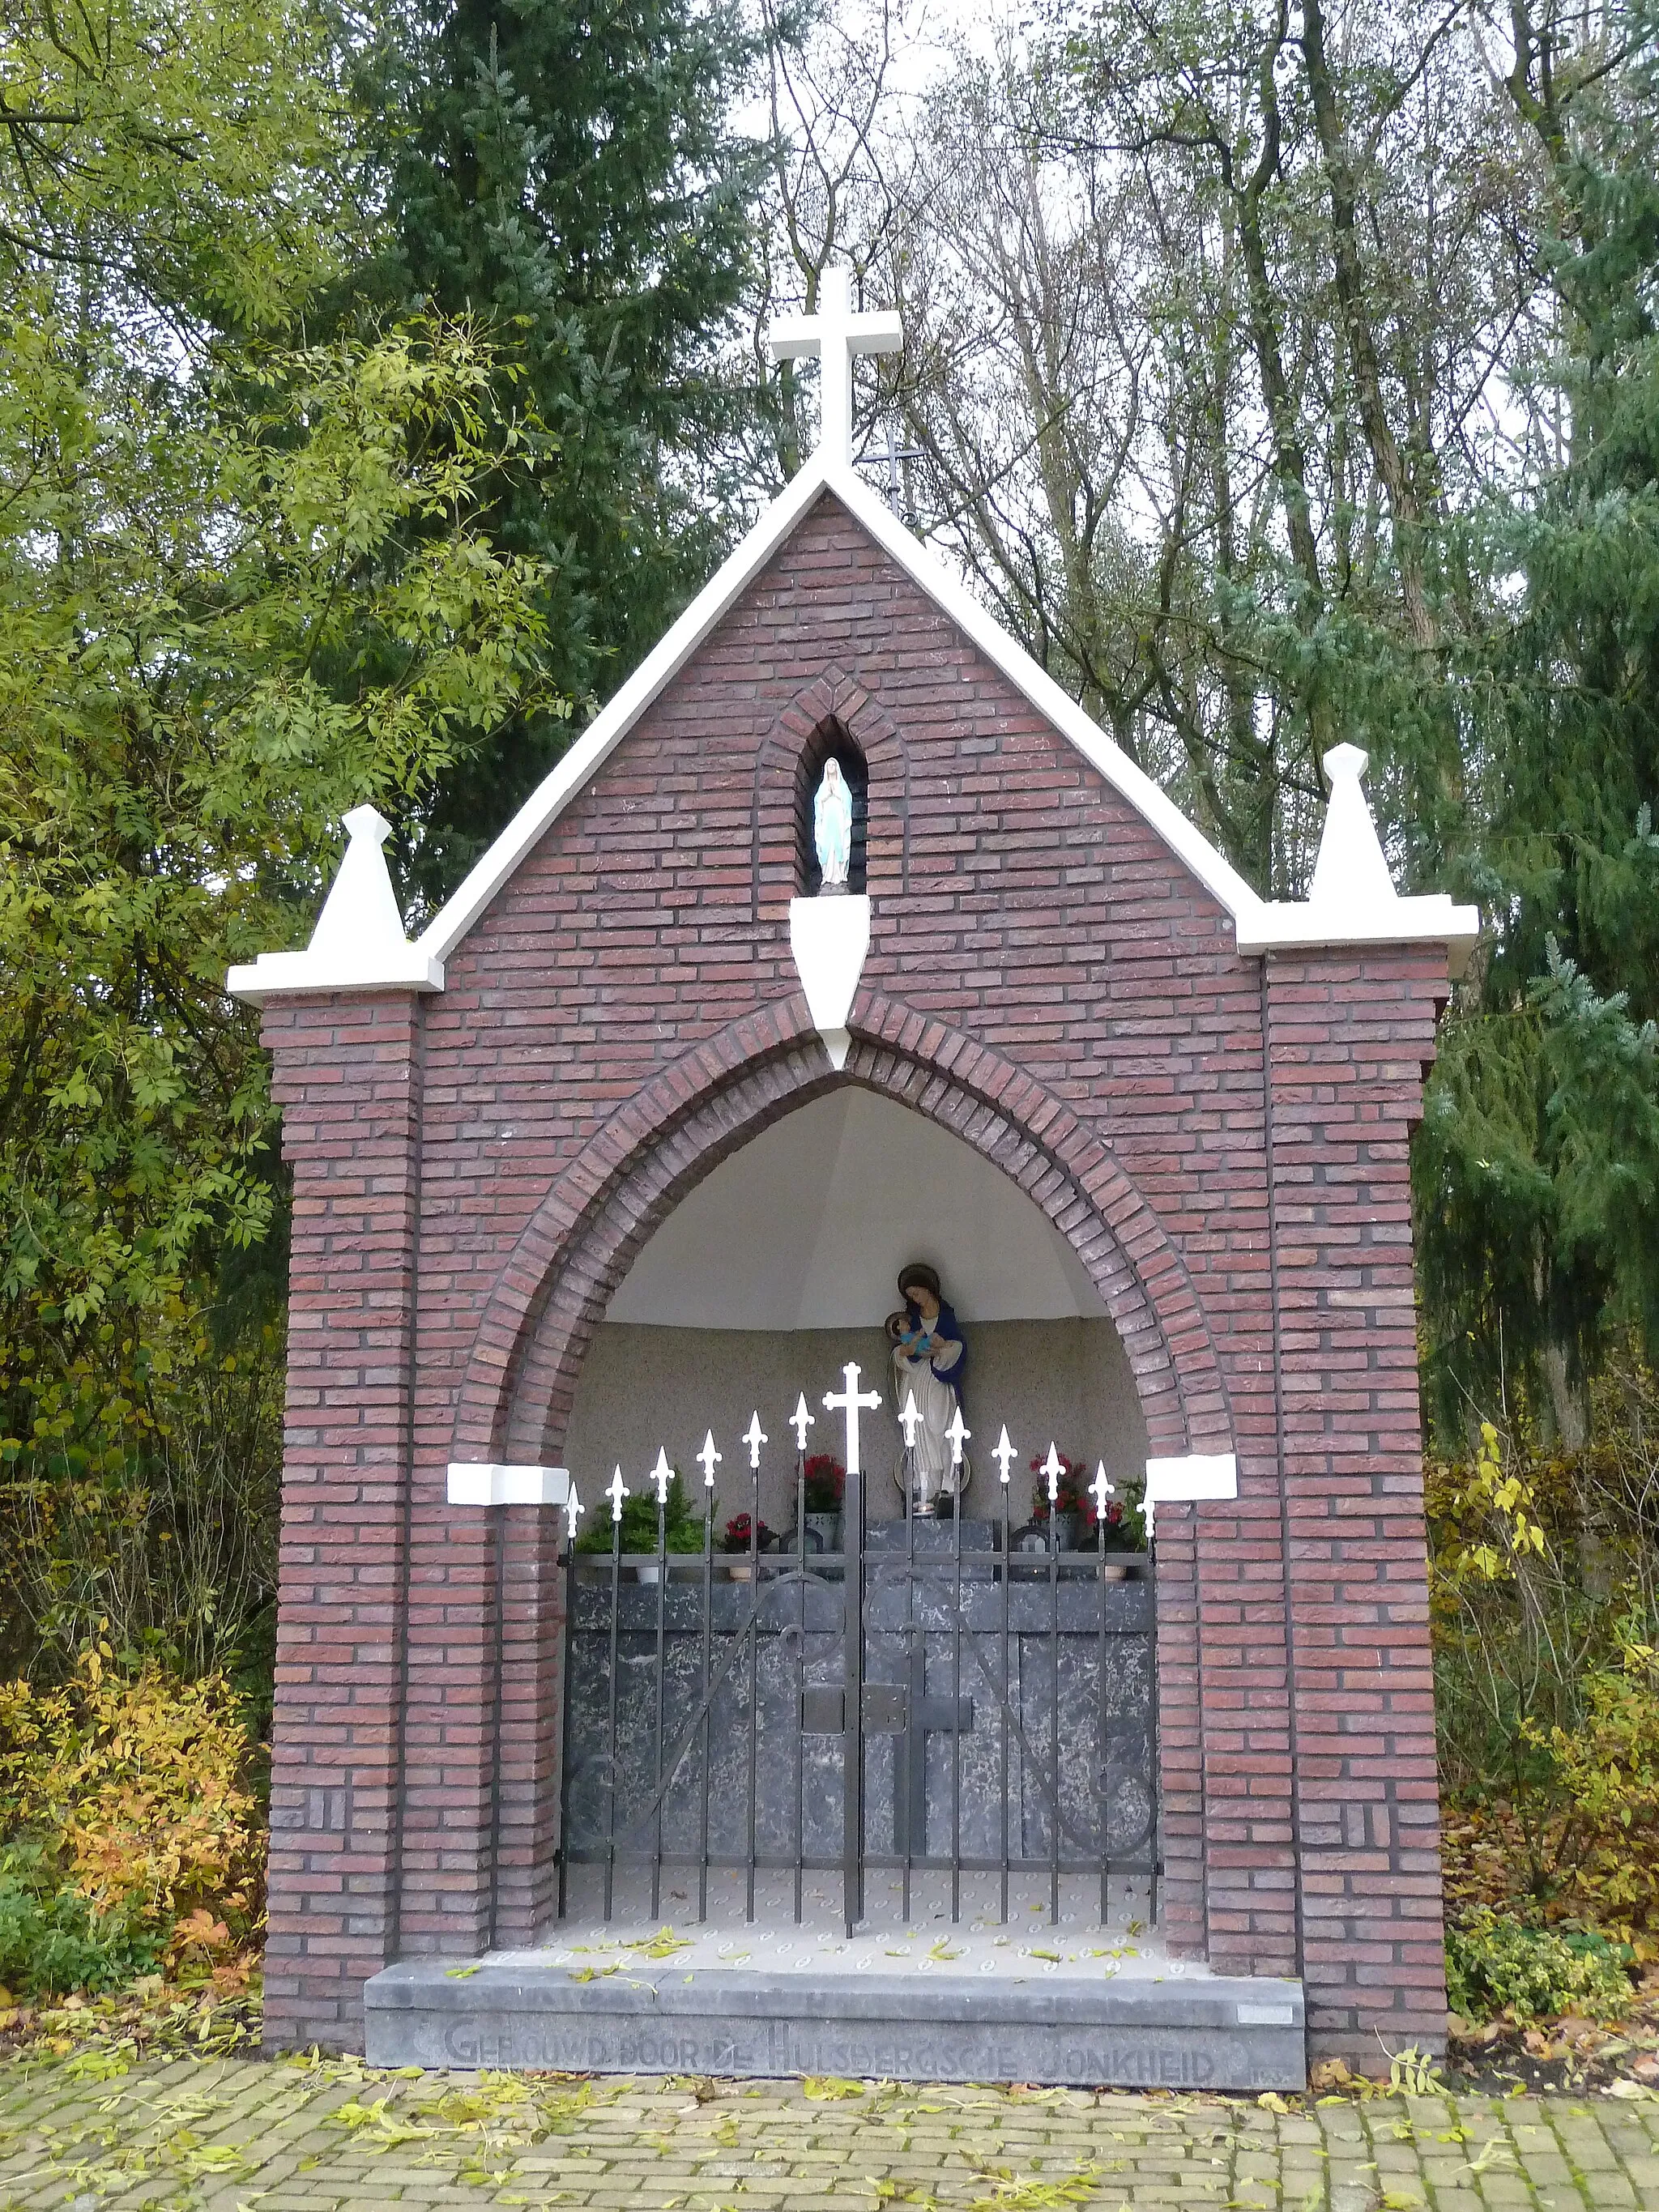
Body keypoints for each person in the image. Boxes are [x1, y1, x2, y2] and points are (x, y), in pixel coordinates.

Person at [885, 1261, 967, 1512]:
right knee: (918, 1429)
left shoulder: (947, 1317)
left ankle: (947, 1481)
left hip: (938, 1379)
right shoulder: (909, 1322)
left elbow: (958, 1347)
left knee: (939, 1425)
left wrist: (942, 1348)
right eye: (911, 1296)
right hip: (915, 1380)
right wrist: (907, 1352)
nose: (916, 1299)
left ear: (929, 1289)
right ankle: (926, 1487)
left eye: (917, 1292)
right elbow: (899, 1354)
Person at [813, 759, 853, 891]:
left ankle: (840, 875)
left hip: (839, 822)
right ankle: (827, 876)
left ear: (837, 768)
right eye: (829, 765)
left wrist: (836, 794)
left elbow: (847, 801)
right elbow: (818, 802)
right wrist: (826, 796)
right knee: (826, 847)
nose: (831, 767)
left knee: (840, 846)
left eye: (833, 765)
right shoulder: (823, 787)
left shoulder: (842, 786)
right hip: (826, 823)